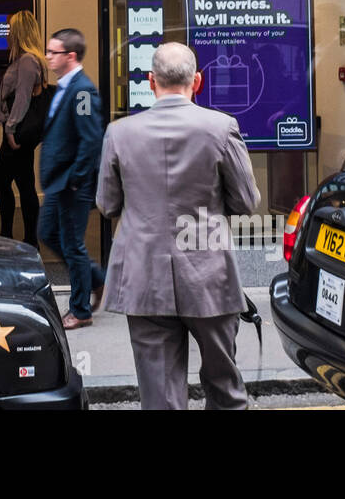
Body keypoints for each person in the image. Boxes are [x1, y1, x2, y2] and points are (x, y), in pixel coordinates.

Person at [97, 41, 260, 409]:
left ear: (150, 81)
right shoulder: (221, 128)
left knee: (160, 395)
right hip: (209, 274)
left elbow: (107, 205)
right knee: (225, 387)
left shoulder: (119, 133)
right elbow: (247, 202)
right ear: (197, 81)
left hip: (144, 275)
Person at [38, 28, 106, 330]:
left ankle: (80, 310)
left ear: (71, 56)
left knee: (72, 244)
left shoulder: (81, 91)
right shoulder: (65, 86)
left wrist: (76, 178)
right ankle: (95, 278)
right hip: (58, 182)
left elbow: (91, 140)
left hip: (71, 183)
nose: (48, 57)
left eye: (53, 52)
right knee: (47, 232)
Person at [0, 10, 49, 247]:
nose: (8, 34)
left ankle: (10, 235)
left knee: (1, 179)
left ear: (20, 32)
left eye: (11, 30)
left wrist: (10, 129)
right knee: (24, 181)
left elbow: (23, 98)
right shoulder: (29, 60)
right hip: (20, 131)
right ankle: (28, 239)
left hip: (17, 132)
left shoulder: (27, 61)